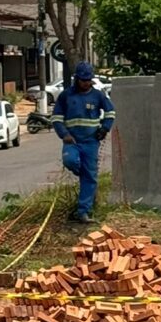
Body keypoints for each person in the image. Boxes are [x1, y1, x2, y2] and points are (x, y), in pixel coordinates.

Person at [51, 61, 116, 223]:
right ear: (77, 79)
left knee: (90, 176)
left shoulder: (98, 95)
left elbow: (110, 111)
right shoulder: (66, 96)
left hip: (91, 142)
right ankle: (82, 172)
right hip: (72, 141)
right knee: (70, 161)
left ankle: (83, 211)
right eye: (83, 80)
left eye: (88, 80)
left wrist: (105, 128)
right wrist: (64, 134)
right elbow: (56, 118)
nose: (86, 83)